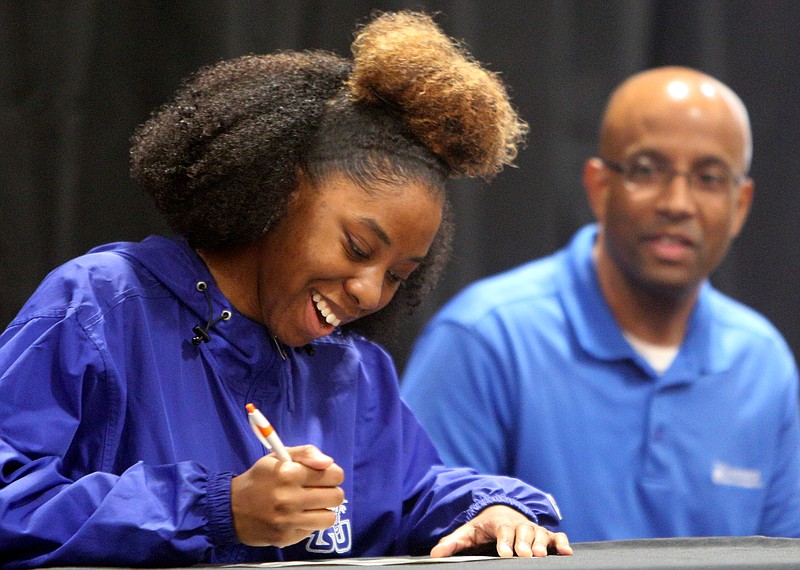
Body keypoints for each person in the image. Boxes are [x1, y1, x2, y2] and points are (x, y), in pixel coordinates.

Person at [0, 11, 573, 568]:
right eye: (357, 248)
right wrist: (215, 510)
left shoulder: (353, 370)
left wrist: (488, 508)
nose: (371, 292)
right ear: (278, 189)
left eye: (399, 274)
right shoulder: (100, 307)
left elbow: (410, 493)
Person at [402, 66, 800, 542]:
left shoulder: (763, 366)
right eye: (648, 170)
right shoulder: (488, 338)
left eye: (709, 178)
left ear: (741, 205)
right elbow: (424, 533)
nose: (678, 202)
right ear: (599, 187)